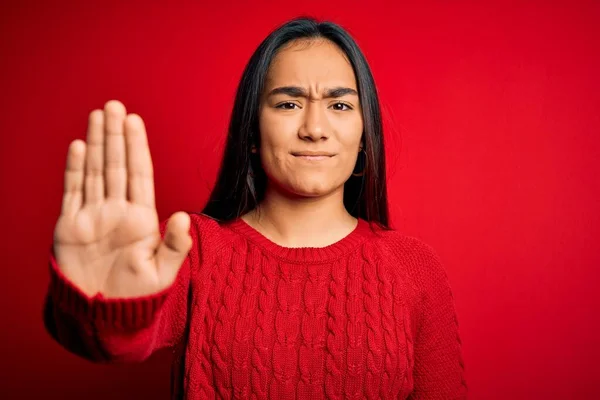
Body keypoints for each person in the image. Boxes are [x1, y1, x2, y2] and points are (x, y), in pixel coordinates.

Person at [43, 17, 467, 399]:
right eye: (288, 103)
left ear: (363, 135)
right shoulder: (193, 250)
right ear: (251, 130)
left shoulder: (414, 268)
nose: (314, 129)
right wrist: (102, 304)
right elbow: (113, 341)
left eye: (339, 105)